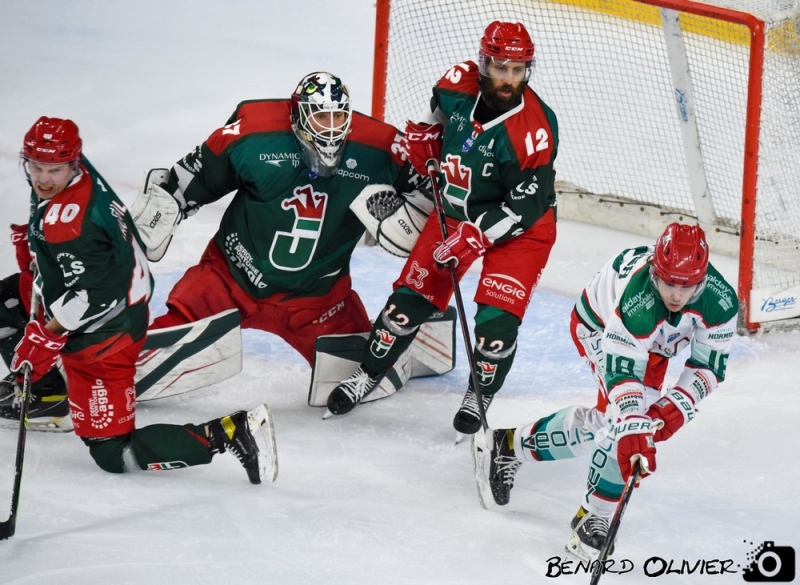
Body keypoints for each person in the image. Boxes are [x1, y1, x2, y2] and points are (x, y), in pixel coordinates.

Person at [1, 116, 268, 483]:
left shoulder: (68, 224)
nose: (44, 179)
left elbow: (96, 295)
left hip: (104, 337)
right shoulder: (73, 175)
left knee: (113, 452)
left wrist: (47, 336)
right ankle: (49, 394)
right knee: (5, 301)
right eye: (36, 167)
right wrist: (40, 251)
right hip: (109, 295)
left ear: (73, 164)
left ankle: (226, 433)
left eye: (54, 170)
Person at [326, 21, 559, 436]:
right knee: (404, 306)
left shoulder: (535, 131)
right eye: (501, 68)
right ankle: (368, 374)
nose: (509, 79)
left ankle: (478, 394)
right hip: (454, 211)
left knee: (494, 331)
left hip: (522, 229)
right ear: (484, 63)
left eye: (518, 70)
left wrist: (475, 236)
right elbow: (436, 118)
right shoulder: (458, 83)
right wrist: (426, 136)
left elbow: (525, 206)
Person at [479, 223, 738, 561]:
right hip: (600, 327)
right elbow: (623, 371)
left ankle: (509, 445)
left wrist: (675, 407)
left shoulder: (721, 301)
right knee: (621, 425)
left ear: (701, 281)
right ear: (656, 275)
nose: (676, 295)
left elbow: (708, 367)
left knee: (620, 425)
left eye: (686, 286)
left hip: (652, 346)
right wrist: (632, 421)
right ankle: (593, 518)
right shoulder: (638, 300)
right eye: (668, 284)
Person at [135, 71, 427, 367]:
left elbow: (430, 192)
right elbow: (197, 175)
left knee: (365, 370)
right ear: (299, 114)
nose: (330, 128)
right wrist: (164, 206)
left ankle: (405, 336)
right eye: (320, 117)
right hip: (231, 281)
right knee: (148, 360)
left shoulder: (380, 149)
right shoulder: (255, 133)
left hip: (318, 303)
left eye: (337, 117)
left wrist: (423, 219)